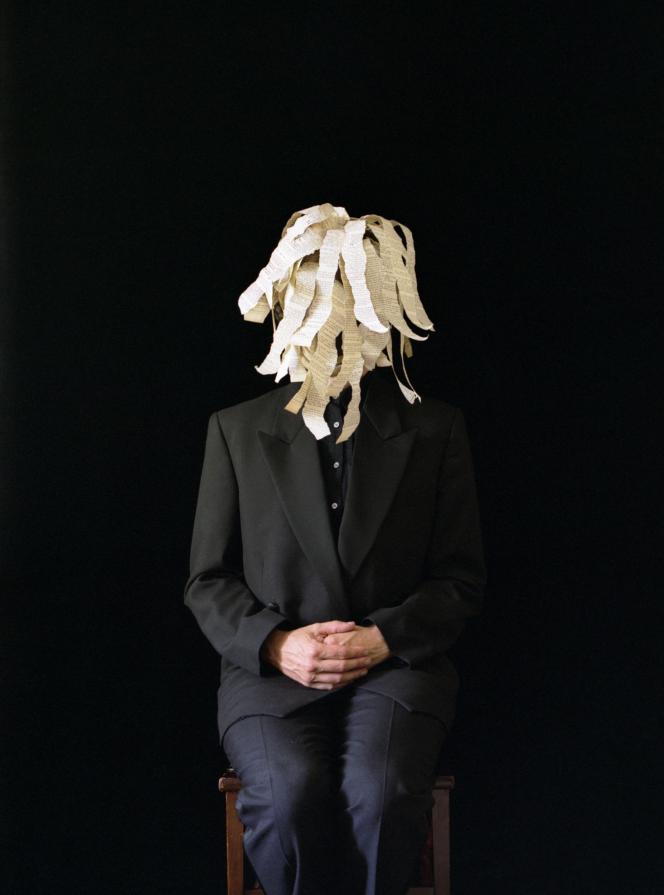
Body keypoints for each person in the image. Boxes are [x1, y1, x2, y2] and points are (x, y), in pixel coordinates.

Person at [183, 203, 486, 895]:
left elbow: (460, 579)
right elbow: (207, 579)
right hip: (269, 676)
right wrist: (276, 643)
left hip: (399, 670)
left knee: (380, 796)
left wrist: (383, 639)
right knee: (288, 798)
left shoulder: (435, 430)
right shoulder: (235, 430)